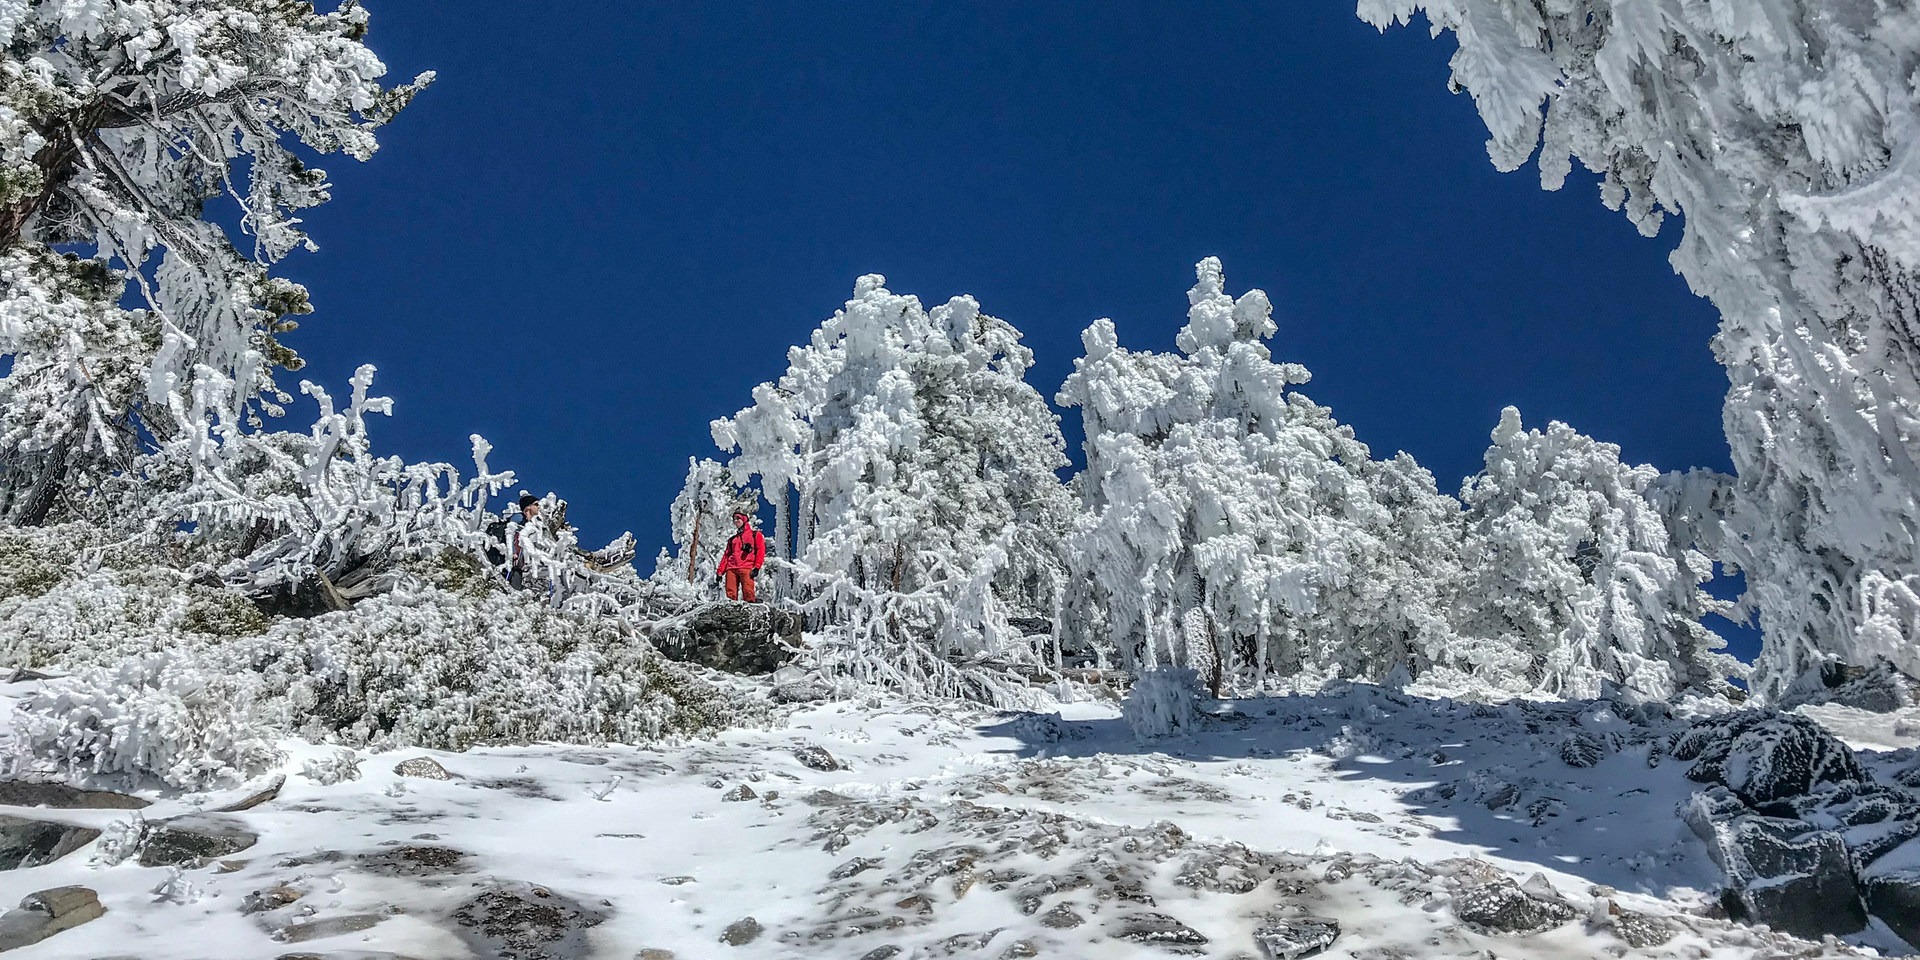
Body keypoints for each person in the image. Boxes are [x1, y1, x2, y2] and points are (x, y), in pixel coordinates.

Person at [717, 510, 766, 602]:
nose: (735, 521)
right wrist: (720, 571)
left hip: (746, 567)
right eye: (734, 519)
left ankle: (751, 611)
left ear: (744, 519)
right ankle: (731, 613)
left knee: (748, 593)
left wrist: (757, 567)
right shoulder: (732, 540)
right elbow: (726, 556)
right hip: (731, 568)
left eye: (738, 518)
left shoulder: (755, 535)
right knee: (730, 595)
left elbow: (761, 551)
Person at [506, 494, 541, 589]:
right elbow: (510, 534)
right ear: (528, 507)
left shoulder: (532, 525)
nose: (539, 507)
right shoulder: (519, 518)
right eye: (536, 504)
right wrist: (513, 553)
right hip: (511, 561)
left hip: (519, 564)